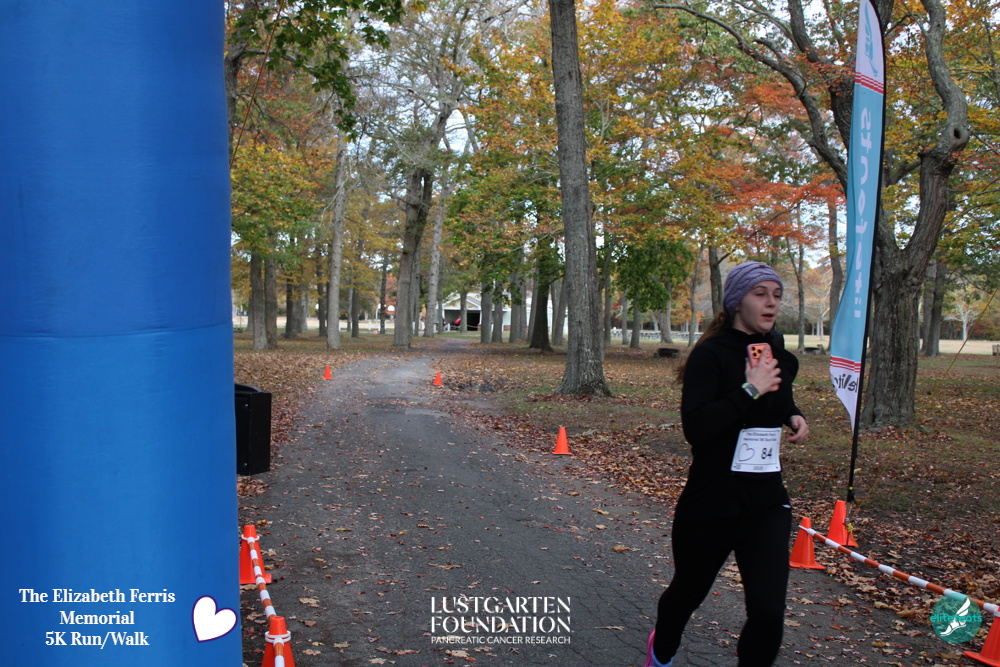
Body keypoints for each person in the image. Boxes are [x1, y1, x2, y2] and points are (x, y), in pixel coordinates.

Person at [645, 261, 810, 667]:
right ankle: (661, 652)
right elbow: (696, 428)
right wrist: (749, 389)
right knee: (688, 593)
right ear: (737, 301)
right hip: (712, 501)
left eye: (777, 295)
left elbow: (780, 400)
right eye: (760, 294)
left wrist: (793, 415)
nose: (771, 303)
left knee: (768, 613)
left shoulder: (780, 358)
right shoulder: (711, 356)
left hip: (766, 503)